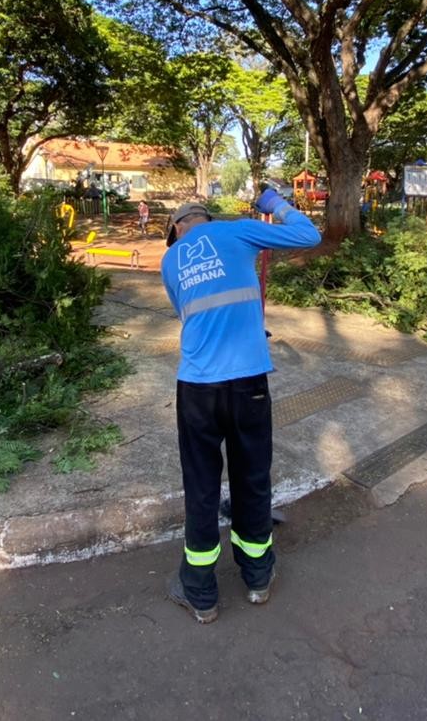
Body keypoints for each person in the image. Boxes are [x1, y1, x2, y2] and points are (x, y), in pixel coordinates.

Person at [159, 189, 321, 623]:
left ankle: (200, 593)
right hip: (248, 381)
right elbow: (308, 235)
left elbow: (192, 317)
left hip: (197, 388)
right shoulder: (239, 232)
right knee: (252, 476)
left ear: (176, 229)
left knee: (201, 484)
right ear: (206, 217)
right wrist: (275, 205)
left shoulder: (170, 261)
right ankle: (257, 578)